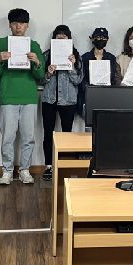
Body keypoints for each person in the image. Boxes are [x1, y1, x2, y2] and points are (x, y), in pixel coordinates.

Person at [0, 8, 45, 186]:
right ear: (9, 25)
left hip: (29, 96)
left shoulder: (33, 45)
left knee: (28, 137)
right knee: (7, 136)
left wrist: (37, 62)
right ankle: (7, 170)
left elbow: (40, 74)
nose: (18, 26)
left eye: (21, 23)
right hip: (8, 95)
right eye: (14, 23)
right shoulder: (1, 43)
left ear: (27, 26)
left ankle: (24, 170)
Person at [41, 25, 83, 181]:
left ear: (69, 39)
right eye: (58, 36)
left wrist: (72, 66)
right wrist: (48, 73)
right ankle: (49, 166)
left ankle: (65, 166)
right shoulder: (46, 55)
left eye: (64, 36)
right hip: (49, 99)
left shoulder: (76, 56)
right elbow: (40, 79)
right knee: (48, 133)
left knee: (67, 134)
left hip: (68, 100)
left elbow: (78, 80)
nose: (60, 38)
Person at [79, 27, 117, 116]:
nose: (101, 40)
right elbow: (81, 78)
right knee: (89, 122)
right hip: (88, 97)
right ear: (93, 39)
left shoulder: (111, 58)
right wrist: (88, 88)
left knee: (105, 122)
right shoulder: (85, 57)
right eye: (98, 37)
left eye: (104, 38)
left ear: (107, 40)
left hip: (107, 98)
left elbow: (113, 78)